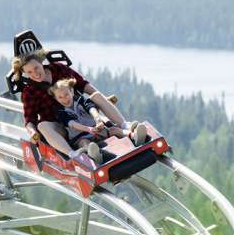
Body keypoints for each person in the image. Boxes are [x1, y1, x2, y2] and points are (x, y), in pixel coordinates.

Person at [14, 49, 147, 160]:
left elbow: (82, 84)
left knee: (96, 96)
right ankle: (73, 153)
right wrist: (32, 133)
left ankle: (126, 127)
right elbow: (29, 119)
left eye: (36, 68)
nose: (35, 74)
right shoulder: (29, 91)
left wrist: (101, 99)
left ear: (41, 62)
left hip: (82, 113)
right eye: (29, 72)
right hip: (61, 124)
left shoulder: (58, 69)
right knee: (42, 125)